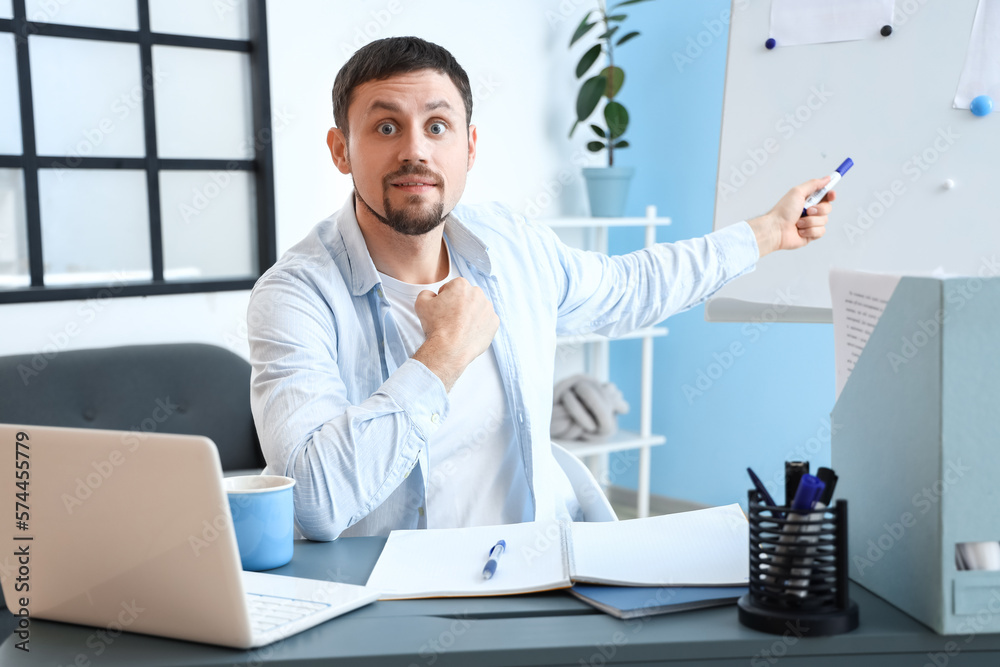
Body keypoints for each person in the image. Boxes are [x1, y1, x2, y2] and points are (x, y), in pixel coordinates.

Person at [247, 36, 835, 541]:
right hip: (394, 600)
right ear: (341, 149)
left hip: (542, 569)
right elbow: (314, 504)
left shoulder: (509, 243)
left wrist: (767, 232)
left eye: (437, 125)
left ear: (469, 146)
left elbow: (630, 286)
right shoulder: (295, 296)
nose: (415, 150)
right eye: (385, 126)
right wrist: (442, 356)